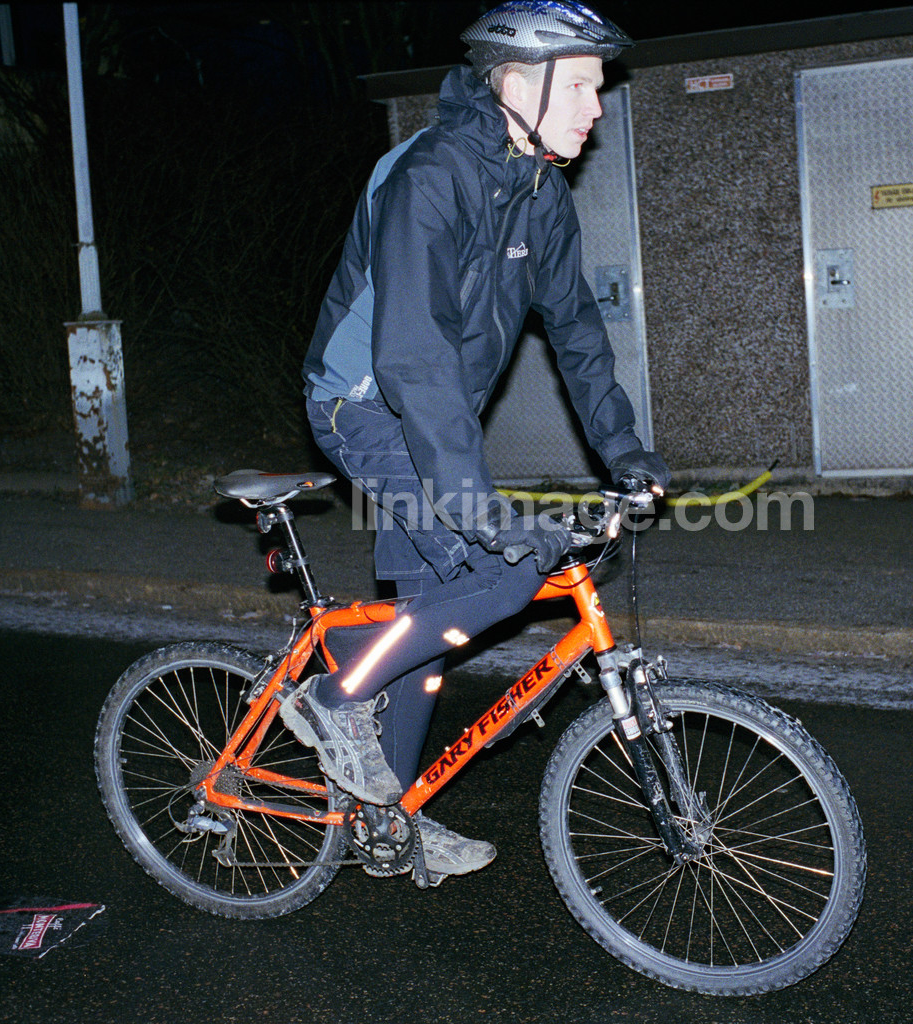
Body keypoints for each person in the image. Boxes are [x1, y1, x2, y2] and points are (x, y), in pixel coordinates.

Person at [280, 0, 670, 882]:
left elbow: (577, 332)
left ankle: (389, 825)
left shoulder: (541, 195)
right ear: (516, 86)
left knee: (431, 632)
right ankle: (334, 698)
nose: (597, 107)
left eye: (599, 88)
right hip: (363, 406)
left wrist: (623, 450)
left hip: (434, 414)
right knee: (499, 569)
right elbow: (412, 356)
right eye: (582, 86)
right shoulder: (431, 176)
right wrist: (474, 505)